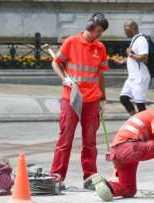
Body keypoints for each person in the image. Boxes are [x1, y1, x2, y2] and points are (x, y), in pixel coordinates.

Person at [50, 13, 109, 190]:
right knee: (65, 138)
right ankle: (57, 177)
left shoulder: (100, 47)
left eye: (102, 32)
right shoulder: (71, 42)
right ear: (90, 26)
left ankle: (90, 177)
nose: (100, 35)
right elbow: (56, 62)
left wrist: (103, 98)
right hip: (71, 97)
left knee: (90, 141)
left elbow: (100, 74)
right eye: (98, 30)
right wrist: (64, 79)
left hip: (92, 99)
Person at [90, 105, 154, 201]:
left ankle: (107, 186)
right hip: (128, 148)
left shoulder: (152, 116)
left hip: (118, 153)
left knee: (129, 189)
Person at [112, 20, 150, 115]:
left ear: (133, 28)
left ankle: (145, 125)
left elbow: (144, 58)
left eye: (126, 28)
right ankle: (136, 120)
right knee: (124, 98)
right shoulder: (135, 40)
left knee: (140, 105)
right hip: (132, 77)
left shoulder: (141, 40)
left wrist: (129, 54)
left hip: (140, 77)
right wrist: (124, 60)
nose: (124, 31)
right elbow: (134, 57)